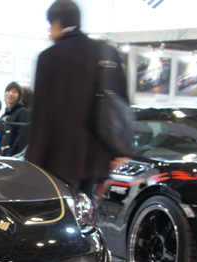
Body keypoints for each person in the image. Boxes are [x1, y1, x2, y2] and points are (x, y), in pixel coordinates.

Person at [27, 0, 129, 199]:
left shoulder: (49, 57)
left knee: (62, 211)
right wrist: (119, 151)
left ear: (57, 23)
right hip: (96, 158)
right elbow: (121, 104)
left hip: (59, 159)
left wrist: (34, 163)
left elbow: (41, 116)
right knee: (87, 210)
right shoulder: (107, 53)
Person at [0, 82, 30, 157]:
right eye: (8, 91)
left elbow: (21, 137)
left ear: (19, 96)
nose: (10, 94)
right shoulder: (4, 115)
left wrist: (10, 154)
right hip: (3, 157)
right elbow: (1, 138)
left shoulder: (23, 112)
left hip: (15, 157)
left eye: (14, 92)